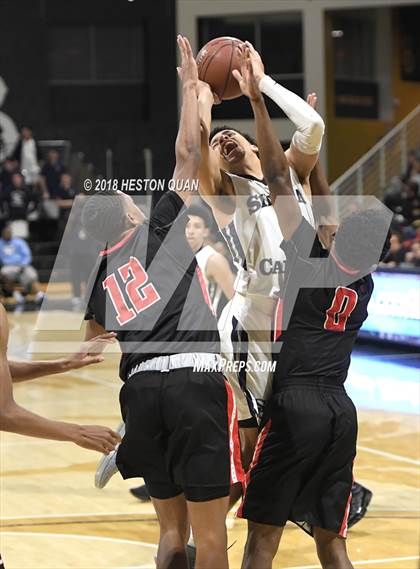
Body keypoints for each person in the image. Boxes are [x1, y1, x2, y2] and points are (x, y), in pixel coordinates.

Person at [82, 36, 242, 569]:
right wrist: (194, 92)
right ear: (128, 214)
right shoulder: (157, 228)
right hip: (194, 379)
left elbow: (91, 345)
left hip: (141, 390)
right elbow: (188, 155)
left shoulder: (102, 275)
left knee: (171, 534)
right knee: (212, 538)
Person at [234, 45, 391, 569]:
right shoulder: (363, 283)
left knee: (262, 540)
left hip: (296, 403)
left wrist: (259, 100)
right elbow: (321, 209)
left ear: (340, 235)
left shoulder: (305, 259)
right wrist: (314, 167)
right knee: (332, 543)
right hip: (340, 412)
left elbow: (279, 178)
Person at [196, 43, 325, 481]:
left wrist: (262, 85)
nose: (223, 139)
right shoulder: (224, 193)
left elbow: (313, 125)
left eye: (230, 134)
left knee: (302, 415)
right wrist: (202, 100)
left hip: (303, 310)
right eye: (217, 142)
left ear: (255, 142)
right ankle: (229, 522)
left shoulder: (291, 171)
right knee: (254, 433)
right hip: (255, 318)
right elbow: (196, 151)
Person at [0, 224, 44, 305]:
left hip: (23, 265)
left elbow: (27, 255)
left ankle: (40, 295)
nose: (8, 233)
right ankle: (15, 294)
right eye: (6, 232)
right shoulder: (0, 243)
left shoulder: (19, 242)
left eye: (9, 232)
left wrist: (22, 265)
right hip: (8, 266)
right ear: (2, 233)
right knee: (4, 273)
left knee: (31, 275)